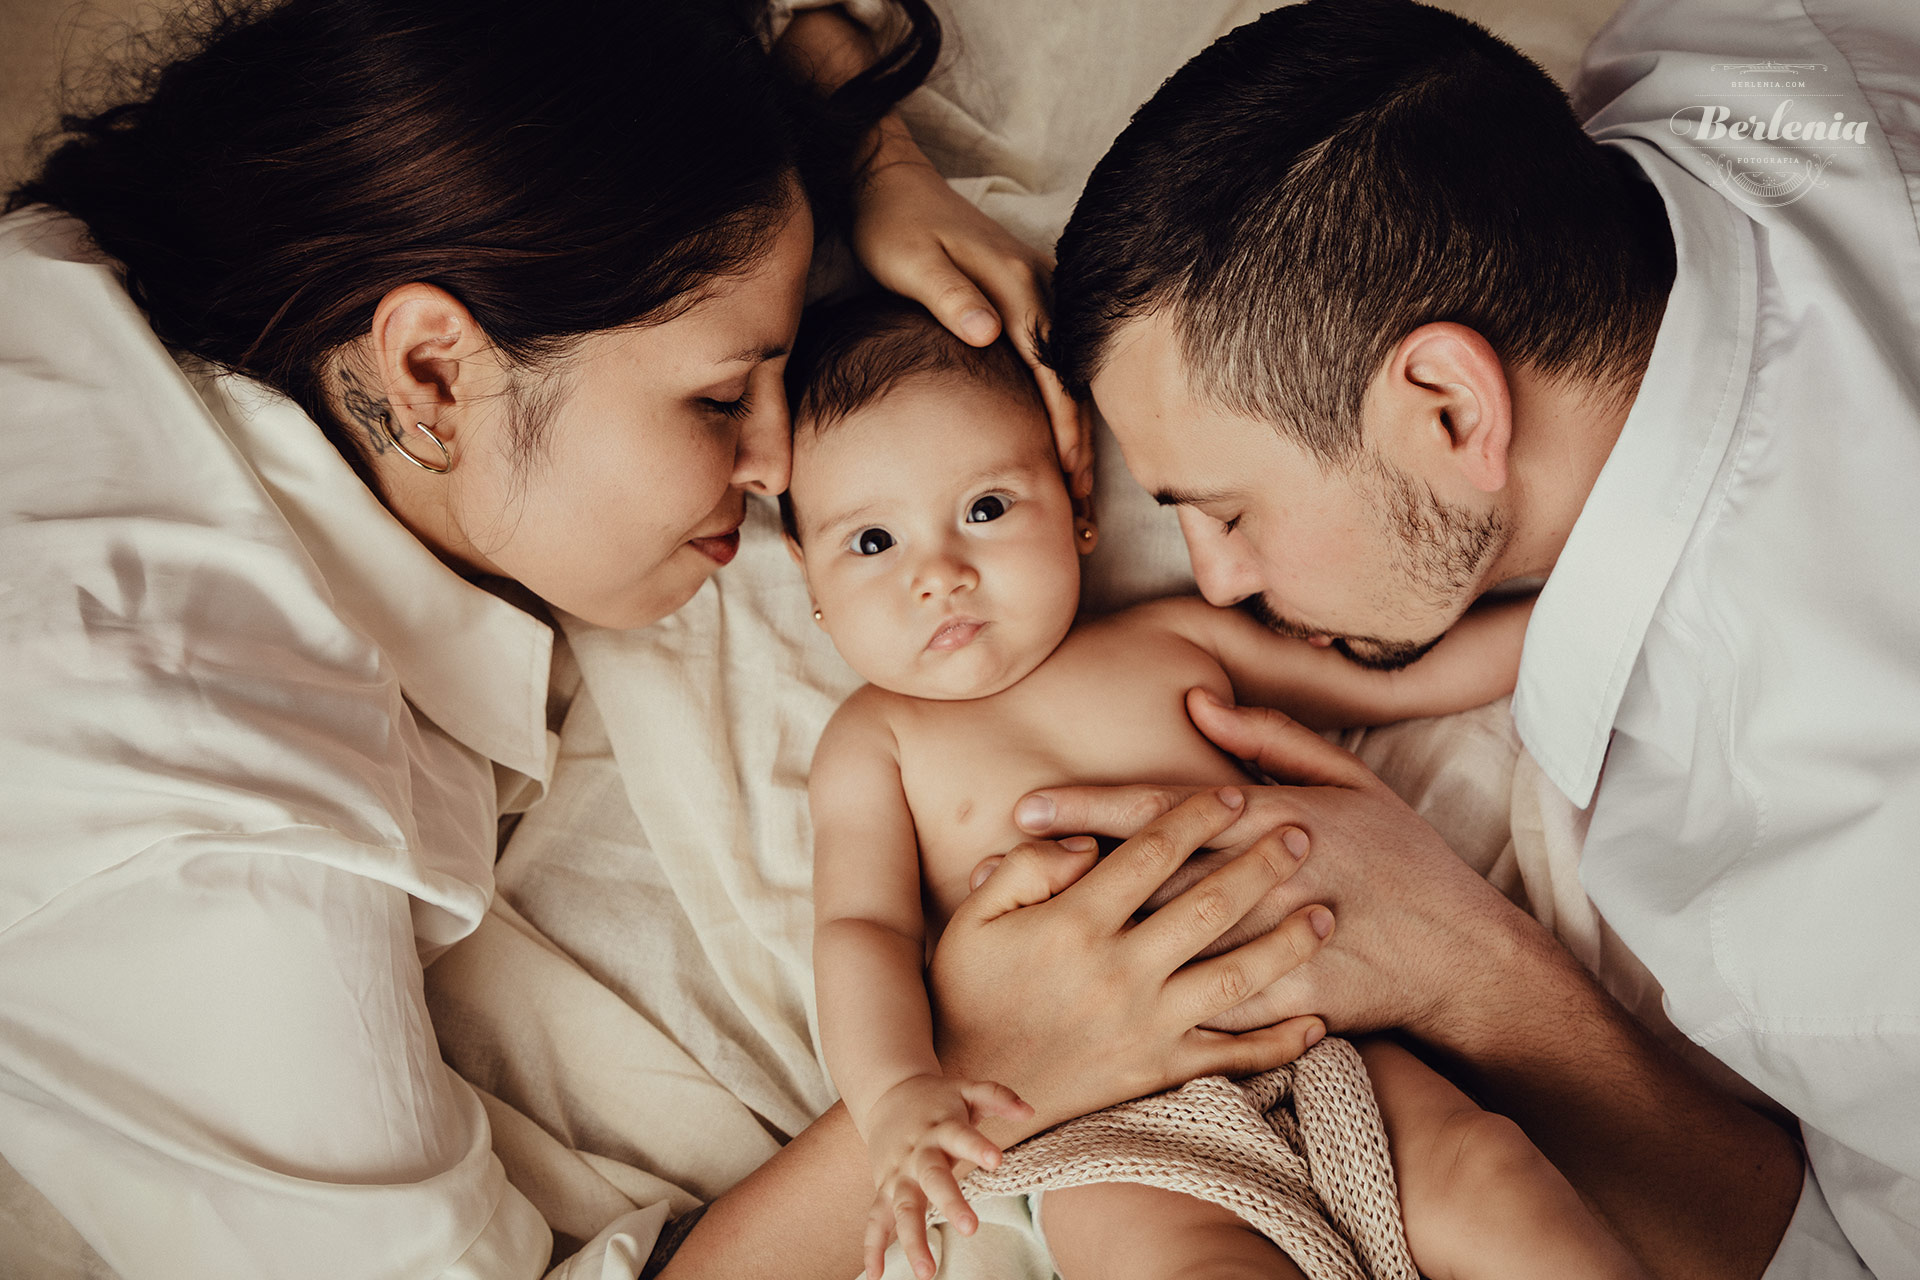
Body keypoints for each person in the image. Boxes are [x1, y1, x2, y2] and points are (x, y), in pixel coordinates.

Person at [0, 2, 1322, 1276]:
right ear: (430, 373)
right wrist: (983, 1063)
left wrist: (861, 154)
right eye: (715, 398)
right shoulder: (221, 853)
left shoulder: (104, 290)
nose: (772, 463)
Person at [1016, 0, 1920, 1276]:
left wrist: (1466, 967)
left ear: (1448, 406)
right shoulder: (1745, 40)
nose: (1217, 582)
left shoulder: (1820, 896)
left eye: (1227, 509)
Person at [782, 294, 1643, 1280]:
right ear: (808, 579)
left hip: (1326, 1036)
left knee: (1493, 1174)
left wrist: (1592, 607)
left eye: (985, 509)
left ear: (1076, 502)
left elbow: (1396, 678)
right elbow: (862, 932)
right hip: (1110, 1125)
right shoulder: (874, 741)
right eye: (872, 543)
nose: (939, 573)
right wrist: (896, 1092)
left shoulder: (1170, 639)